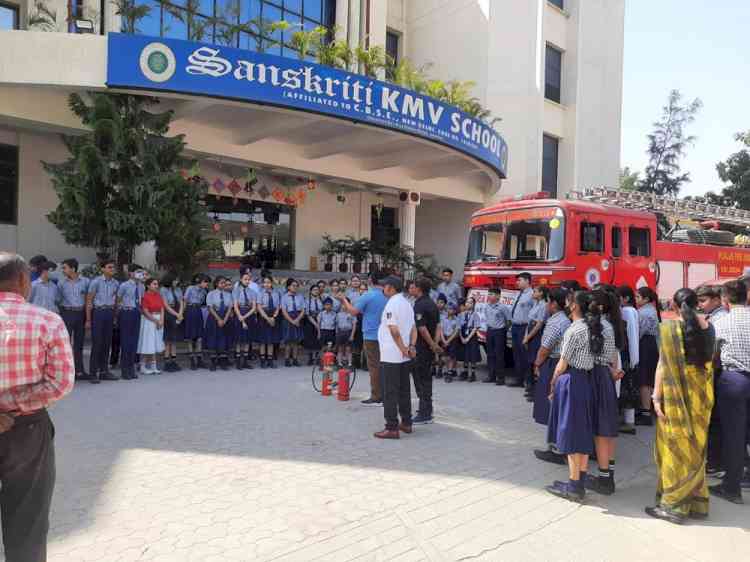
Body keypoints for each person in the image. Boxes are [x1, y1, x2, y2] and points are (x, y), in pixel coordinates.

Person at [0, 253, 74, 562]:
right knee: (27, 520)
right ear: (22, 281)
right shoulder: (47, 321)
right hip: (27, 431)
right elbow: (61, 383)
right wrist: (12, 407)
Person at [642, 288, 716, 523]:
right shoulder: (709, 326)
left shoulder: (670, 329)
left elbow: (663, 366)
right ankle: (696, 502)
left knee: (675, 446)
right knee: (696, 446)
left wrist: (655, 398)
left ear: (673, 305)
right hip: (701, 396)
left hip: (676, 396)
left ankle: (674, 505)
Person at [545, 290, 602, 502]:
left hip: (572, 381)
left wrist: (552, 384)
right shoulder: (593, 327)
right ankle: (579, 481)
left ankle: (573, 485)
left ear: (574, 306)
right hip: (585, 381)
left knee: (569, 432)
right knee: (583, 432)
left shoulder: (574, 330)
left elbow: (562, 364)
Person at [710, 280, 750, 505]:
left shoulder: (723, 322)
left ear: (725, 300)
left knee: (734, 436)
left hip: (733, 380)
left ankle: (732, 487)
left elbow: (713, 355)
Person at [586, 289, 623, 496]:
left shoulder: (598, 326)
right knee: (606, 429)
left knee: (601, 431)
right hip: (605, 376)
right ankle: (607, 475)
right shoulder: (609, 325)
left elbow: (592, 356)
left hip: (597, 376)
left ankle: (604, 479)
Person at [374, 276, 417, 439]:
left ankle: (391, 427)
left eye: (384, 286)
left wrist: (403, 349)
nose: (382, 288)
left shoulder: (392, 304)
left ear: (391, 288)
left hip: (391, 355)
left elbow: (394, 330)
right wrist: (411, 347)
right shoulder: (407, 303)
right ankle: (406, 422)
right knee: (404, 390)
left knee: (389, 392)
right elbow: (414, 328)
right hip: (404, 357)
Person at [532, 288, 571, 465]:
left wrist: (537, 363)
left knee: (551, 404)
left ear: (554, 304)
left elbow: (545, 348)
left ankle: (555, 448)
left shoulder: (556, 322)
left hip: (552, 363)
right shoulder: (565, 319)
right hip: (559, 362)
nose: (547, 304)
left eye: (548, 301)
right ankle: (556, 446)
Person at [337, 271, 388, 406]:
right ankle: (385, 393)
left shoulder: (368, 295)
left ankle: (377, 395)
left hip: (371, 335)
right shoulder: (387, 295)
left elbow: (353, 311)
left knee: (374, 366)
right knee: (384, 364)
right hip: (386, 335)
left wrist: (343, 300)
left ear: (370, 280)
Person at [697, 284, 729, 476]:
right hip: (716, 373)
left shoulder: (719, 319)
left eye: (703, 301)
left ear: (717, 300)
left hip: (718, 373)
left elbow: (714, 351)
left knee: (716, 420)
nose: (701, 305)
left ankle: (716, 463)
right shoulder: (714, 317)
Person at [412, 277, 442, 424]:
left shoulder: (420, 305)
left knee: (422, 380)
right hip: (428, 349)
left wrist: (431, 344)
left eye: (413, 286)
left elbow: (422, 328)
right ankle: (426, 409)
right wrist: (435, 345)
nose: (411, 289)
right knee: (425, 379)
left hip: (422, 349)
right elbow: (437, 326)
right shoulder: (432, 304)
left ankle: (425, 413)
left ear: (419, 289)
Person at [86, 260, 119, 384]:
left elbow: (116, 300)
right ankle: (93, 373)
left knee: (107, 343)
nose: (112, 269)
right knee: (97, 343)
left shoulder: (116, 283)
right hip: (98, 312)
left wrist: (115, 316)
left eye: (113, 267)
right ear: (103, 269)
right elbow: (89, 301)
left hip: (109, 313)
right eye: (109, 267)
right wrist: (88, 319)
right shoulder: (95, 282)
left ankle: (104, 371)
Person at [59, 258, 90, 380]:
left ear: (73, 268)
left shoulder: (85, 282)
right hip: (67, 313)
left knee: (79, 344)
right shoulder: (61, 283)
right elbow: (58, 299)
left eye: (65, 267)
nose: (63, 270)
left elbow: (88, 299)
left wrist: (87, 318)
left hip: (80, 313)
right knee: (65, 344)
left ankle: (79, 371)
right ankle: (66, 372)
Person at [635, 286, 661, 426]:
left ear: (646, 299)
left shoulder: (644, 313)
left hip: (646, 344)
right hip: (652, 346)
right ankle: (648, 408)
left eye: (638, 297)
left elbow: (639, 332)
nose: (636, 299)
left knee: (644, 379)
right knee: (650, 377)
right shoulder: (651, 310)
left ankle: (645, 412)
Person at [617, 285, 640, 434]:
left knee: (626, 387)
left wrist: (633, 357)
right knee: (627, 386)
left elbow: (631, 335)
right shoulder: (631, 311)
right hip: (630, 353)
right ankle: (628, 420)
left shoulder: (626, 311)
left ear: (625, 298)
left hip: (627, 353)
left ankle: (629, 422)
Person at [116, 265, 143, 381]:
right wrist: (118, 314)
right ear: (131, 273)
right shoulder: (124, 285)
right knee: (126, 342)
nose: (140, 275)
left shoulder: (141, 286)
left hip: (136, 313)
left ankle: (131, 367)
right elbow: (118, 299)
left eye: (141, 272)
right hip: (126, 312)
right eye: (138, 272)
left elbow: (141, 300)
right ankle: (124, 369)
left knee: (134, 342)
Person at [523, 286, 549, 400]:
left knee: (536, 362)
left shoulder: (544, 305)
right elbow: (530, 321)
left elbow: (539, 324)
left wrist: (528, 337)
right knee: (530, 361)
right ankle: (531, 387)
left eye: (535, 291)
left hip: (537, 334)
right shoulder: (535, 303)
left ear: (541, 293)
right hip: (530, 331)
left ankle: (536, 392)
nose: (533, 293)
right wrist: (526, 336)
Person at [509, 272, 535, 387]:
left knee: (525, 355)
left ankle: (528, 381)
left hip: (524, 327)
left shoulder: (532, 294)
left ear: (527, 281)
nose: (517, 282)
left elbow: (535, 313)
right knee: (516, 354)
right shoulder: (518, 294)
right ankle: (518, 379)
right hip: (515, 327)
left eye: (519, 280)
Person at [137, 277, 166, 375]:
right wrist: (156, 321)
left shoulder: (158, 295)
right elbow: (145, 311)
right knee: (147, 343)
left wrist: (161, 320)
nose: (156, 286)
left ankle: (154, 367)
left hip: (158, 320)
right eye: (154, 284)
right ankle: (143, 366)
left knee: (155, 343)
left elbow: (162, 308)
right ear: (148, 285)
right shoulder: (145, 296)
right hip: (149, 321)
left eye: (157, 284)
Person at [205, 277, 233, 372]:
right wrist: (219, 319)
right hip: (214, 318)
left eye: (225, 283)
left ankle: (223, 361)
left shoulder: (228, 294)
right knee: (213, 338)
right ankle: (213, 362)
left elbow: (229, 308)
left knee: (223, 339)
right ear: (216, 284)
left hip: (225, 318)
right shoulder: (211, 294)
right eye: (221, 283)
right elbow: (210, 308)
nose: (224, 284)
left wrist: (224, 319)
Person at [483, 289, 510, 385]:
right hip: (490, 331)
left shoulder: (503, 307)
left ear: (498, 296)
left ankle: (501, 378)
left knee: (499, 355)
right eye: (489, 294)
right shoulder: (487, 306)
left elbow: (508, 321)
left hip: (499, 332)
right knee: (490, 355)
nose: (489, 296)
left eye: (492, 294)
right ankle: (491, 376)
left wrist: (503, 329)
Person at [160, 273, 185, 373]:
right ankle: (167, 362)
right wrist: (176, 314)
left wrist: (180, 313)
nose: (176, 282)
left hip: (177, 311)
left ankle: (174, 361)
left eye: (177, 280)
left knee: (174, 339)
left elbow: (181, 302)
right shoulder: (163, 290)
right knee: (168, 339)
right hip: (168, 314)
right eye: (175, 280)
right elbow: (165, 305)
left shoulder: (178, 290)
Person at [184, 274, 209, 370]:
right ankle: (192, 360)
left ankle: (199, 360)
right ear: (200, 281)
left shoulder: (204, 291)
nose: (206, 284)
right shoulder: (190, 288)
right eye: (205, 282)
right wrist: (183, 313)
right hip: (190, 310)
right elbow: (185, 300)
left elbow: (203, 302)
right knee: (190, 337)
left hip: (198, 311)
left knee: (199, 337)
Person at [233, 271, 257, 370]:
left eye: (248, 279)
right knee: (239, 340)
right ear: (241, 279)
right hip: (239, 314)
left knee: (247, 340)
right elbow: (235, 306)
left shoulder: (252, 292)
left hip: (249, 315)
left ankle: (245, 361)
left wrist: (245, 317)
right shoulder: (236, 291)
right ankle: (238, 362)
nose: (247, 281)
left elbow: (254, 307)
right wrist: (241, 318)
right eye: (245, 279)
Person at [257, 275, 281, 369]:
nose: (267, 284)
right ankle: (263, 360)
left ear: (272, 283)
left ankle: (270, 360)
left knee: (271, 340)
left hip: (274, 316)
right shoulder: (260, 293)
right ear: (263, 284)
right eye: (265, 282)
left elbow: (278, 306)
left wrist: (274, 317)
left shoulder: (276, 293)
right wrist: (267, 318)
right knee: (263, 340)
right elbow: (259, 307)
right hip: (264, 316)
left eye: (268, 282)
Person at [281, 278, 306, 367]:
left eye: (296, 286)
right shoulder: (284, 297)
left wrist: (297, 320)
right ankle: (287, 359)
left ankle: (295, 359)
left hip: (298, 318)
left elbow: (303, 310)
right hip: (288, 319)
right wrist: (292, 321)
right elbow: (284, 311)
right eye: (293, 286)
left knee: (296, 341)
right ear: (288, 287)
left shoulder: (300, 296)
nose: (295, 287)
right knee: (288, 341)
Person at [459, 297, 481, 382]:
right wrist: (461, 337)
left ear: (474, 304)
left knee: (472, 355)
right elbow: (458, 327)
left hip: (472, 337)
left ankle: (472, 373)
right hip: (463, 335)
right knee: (465, 354)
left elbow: (476, 328)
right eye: (467, 302)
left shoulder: (475, 315)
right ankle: (465, 372)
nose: (469, 304)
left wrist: (468, 338)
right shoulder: (462, 314)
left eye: (471, 303)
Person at [439, 304, 461, 383]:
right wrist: (443, 340)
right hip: (444, 338)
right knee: (444, 356)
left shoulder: (457, 319)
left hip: (452, 339)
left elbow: (456, 331)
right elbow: (441, 329)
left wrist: (448, 341)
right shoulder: (443, 319)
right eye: (448, 309)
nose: (449, 310)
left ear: (455, 311)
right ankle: (448, 369)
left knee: (452, 356)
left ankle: (449, 372)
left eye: (451, 309)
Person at [304, 285, 323, 366]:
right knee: (310, 339)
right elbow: (307, 314)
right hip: (310, 321)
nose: (316, 291)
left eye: (317, 290)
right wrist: (315, 324)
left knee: (318, 340)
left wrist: (319, 323)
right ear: (311, 291)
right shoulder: (307, 301)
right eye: (314, 290)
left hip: (320, 321)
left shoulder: (321, 300)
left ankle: (317, 357)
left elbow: (322, 312)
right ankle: (310, 358)